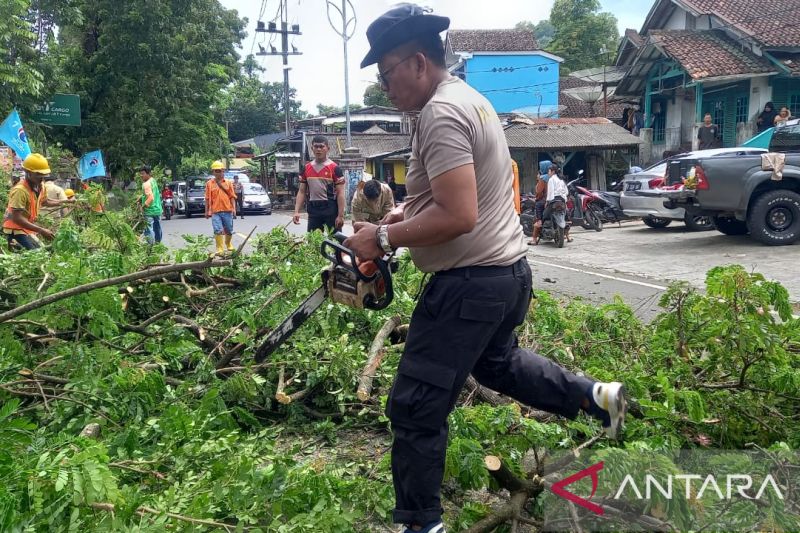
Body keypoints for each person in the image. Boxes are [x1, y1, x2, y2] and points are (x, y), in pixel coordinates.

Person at [344, 5, 626, 532]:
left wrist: (381, 236)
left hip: (468, 284)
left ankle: (421, 524)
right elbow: (463, 193)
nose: (385, 87)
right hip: (506, 275)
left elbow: (460, 214)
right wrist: (409, 211)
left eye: (386, 73)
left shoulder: (441, 114)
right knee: (497, 365)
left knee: (414, 407)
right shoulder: (470, 101)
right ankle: (595, 397)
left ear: (419, 62)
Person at [2, 153, 56, 250]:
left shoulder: (40, 186)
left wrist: (66, 202)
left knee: (45, 252)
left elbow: (45, 201)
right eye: (38, 175)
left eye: (43, 175)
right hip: (15, 231)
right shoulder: (20, 190)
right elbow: (17, 218)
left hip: (27, 230)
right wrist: (41, 230)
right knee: (36, 256)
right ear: (28, 172)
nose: (42, 178)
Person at [293, 136, 345, 232]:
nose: (318, 149)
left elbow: (341, 193)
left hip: (331, 209)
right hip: (313, 210)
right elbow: (301, 191)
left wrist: (340, 215)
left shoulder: (334, 168)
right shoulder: (306, 168)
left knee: (336, 241)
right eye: (316, 146)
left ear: (328, 148)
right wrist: (296, 211)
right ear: (312, 148)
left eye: (321, 146)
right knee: (314, 242)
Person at [205, 160, 237, 254]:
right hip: (215, 211)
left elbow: (232, 197)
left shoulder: (228, 183)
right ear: (213, 172)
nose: (218, 172)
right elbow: (207, 198)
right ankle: (219, 248)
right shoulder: (209, 184)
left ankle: (228, 243)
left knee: (229, 230)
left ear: (223, 171)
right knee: (217, 230)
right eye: (216, 171)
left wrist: (234, 209)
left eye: (220, 170)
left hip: (227, 210)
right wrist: (206, 211)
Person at [542, 163, 572, 243]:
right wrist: (564, 199)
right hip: (562, 201)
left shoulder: (551, 179)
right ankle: (567, 235)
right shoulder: (561, 179)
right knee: (566, 217)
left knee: (544, 215)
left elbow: (550, 193)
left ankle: (544, 230)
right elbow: (566, 192)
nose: (548, 172)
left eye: (549, 171)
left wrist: (547, 202)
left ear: (552, 171)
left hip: (554, 201)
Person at [138, 165, 163, 244]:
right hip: (157, 210)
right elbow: (152, 194)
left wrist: (142, 206)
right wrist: (142, 197)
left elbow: (151, 198)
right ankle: (158, 245)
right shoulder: (153, 180)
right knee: (157, 228)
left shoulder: (145, 184)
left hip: (149, 211)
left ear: (148, 173)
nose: (141, 175)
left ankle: (151, 248)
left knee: (149, 230)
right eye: (140, 173)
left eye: (143, 173)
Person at [528, 160, 551, 245]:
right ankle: (566, 235)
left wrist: (537, 198)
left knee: (538, 206)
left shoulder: (543, 178)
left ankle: (534, 239)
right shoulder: (554, 177)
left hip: (544, 200)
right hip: (555, 200)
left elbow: (539, 192)